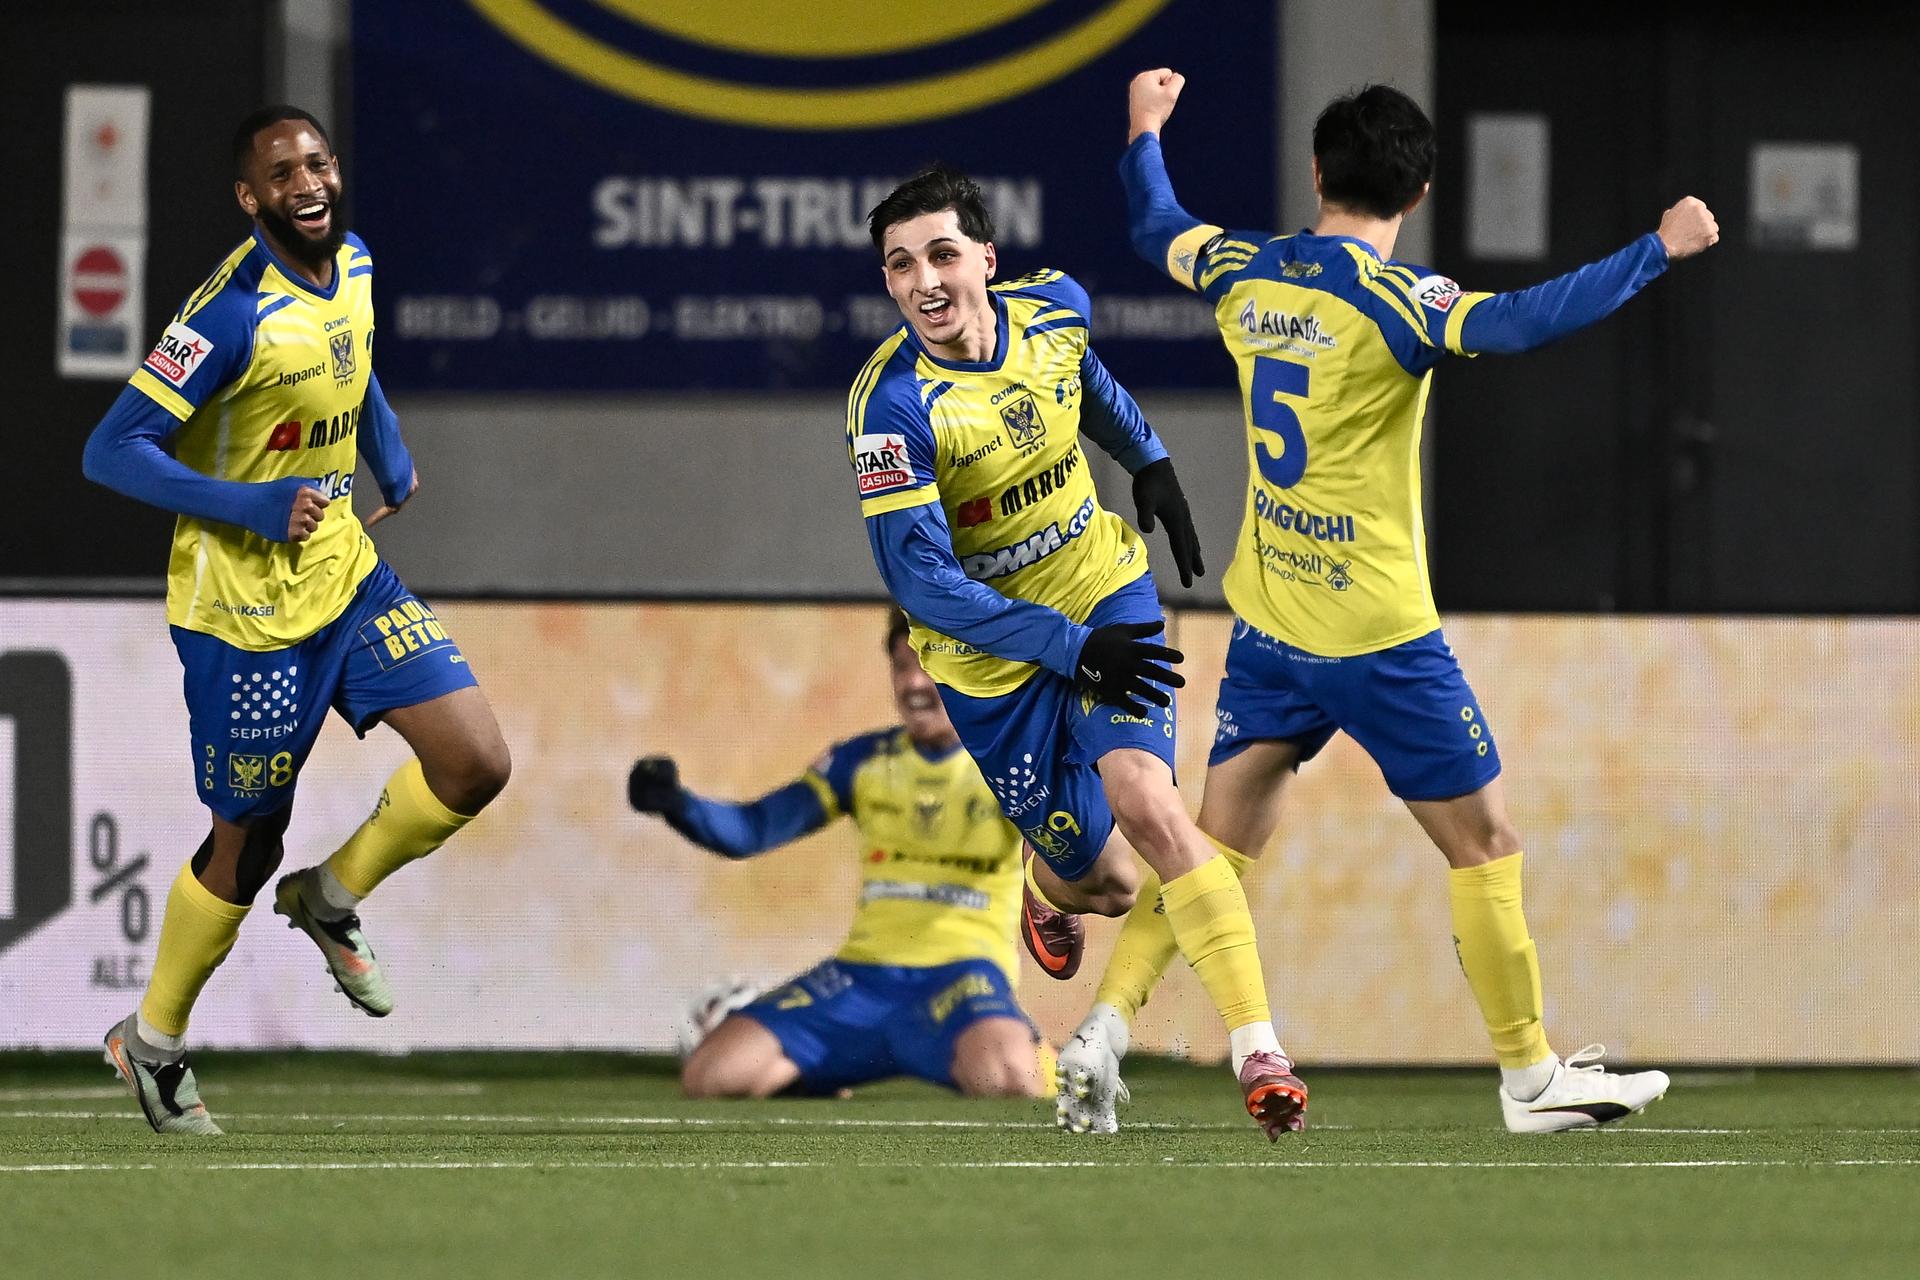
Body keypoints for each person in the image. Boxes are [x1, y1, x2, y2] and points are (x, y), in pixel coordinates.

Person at [1061, 69, 1719, 1134]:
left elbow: (1154, 221)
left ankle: (1102, 1029)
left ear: (1318, 173)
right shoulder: (1403, 301)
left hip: (1270, 628)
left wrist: (1145, 125)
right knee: (1487, 843)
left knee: (1211, 851)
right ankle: (1528, 1076)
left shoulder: (1244, 269)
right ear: (1416, 196)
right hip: (1378, 637)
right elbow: (1522, 321)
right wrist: (1660, 249)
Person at [848, 165, 1304, 1138]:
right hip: (991, 662)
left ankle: (1258, 1049)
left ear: (987, 259)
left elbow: (1084, 381)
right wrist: (1067, 650)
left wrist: (1150, 460)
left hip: (1100, 585)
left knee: (1149, 800)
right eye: (899, 265)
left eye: (940, 253)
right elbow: (923, 582)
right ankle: (1040, 882)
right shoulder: (890, 407)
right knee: (1102, 884)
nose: (924, 280)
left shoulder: (1055, 308)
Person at [83, 106, 511, 1135]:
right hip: (244, 616)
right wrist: (255, 504)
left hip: (346, 579)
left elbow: (347, 365)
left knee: (476, 763)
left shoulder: (353, 260)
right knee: (245, 842)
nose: (310, 182)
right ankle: (152, 1041)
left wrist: (388, 443)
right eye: (284, 173)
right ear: (251, 197)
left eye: (318, 162)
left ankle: (333, 895)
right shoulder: (228, 313)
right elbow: (112, 448)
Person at [629, 613, 1050, 1099]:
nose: (913, 683)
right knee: (713, 1076)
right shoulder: (862, 761)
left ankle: (1035, 1049)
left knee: (1012, 1078)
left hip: (962, 979)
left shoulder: (1009, 766)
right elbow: (753, 830)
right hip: (861, 980)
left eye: (927, 666)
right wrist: (676, 802)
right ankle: (826, 1073)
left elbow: (1078, 861)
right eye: (900, 667)